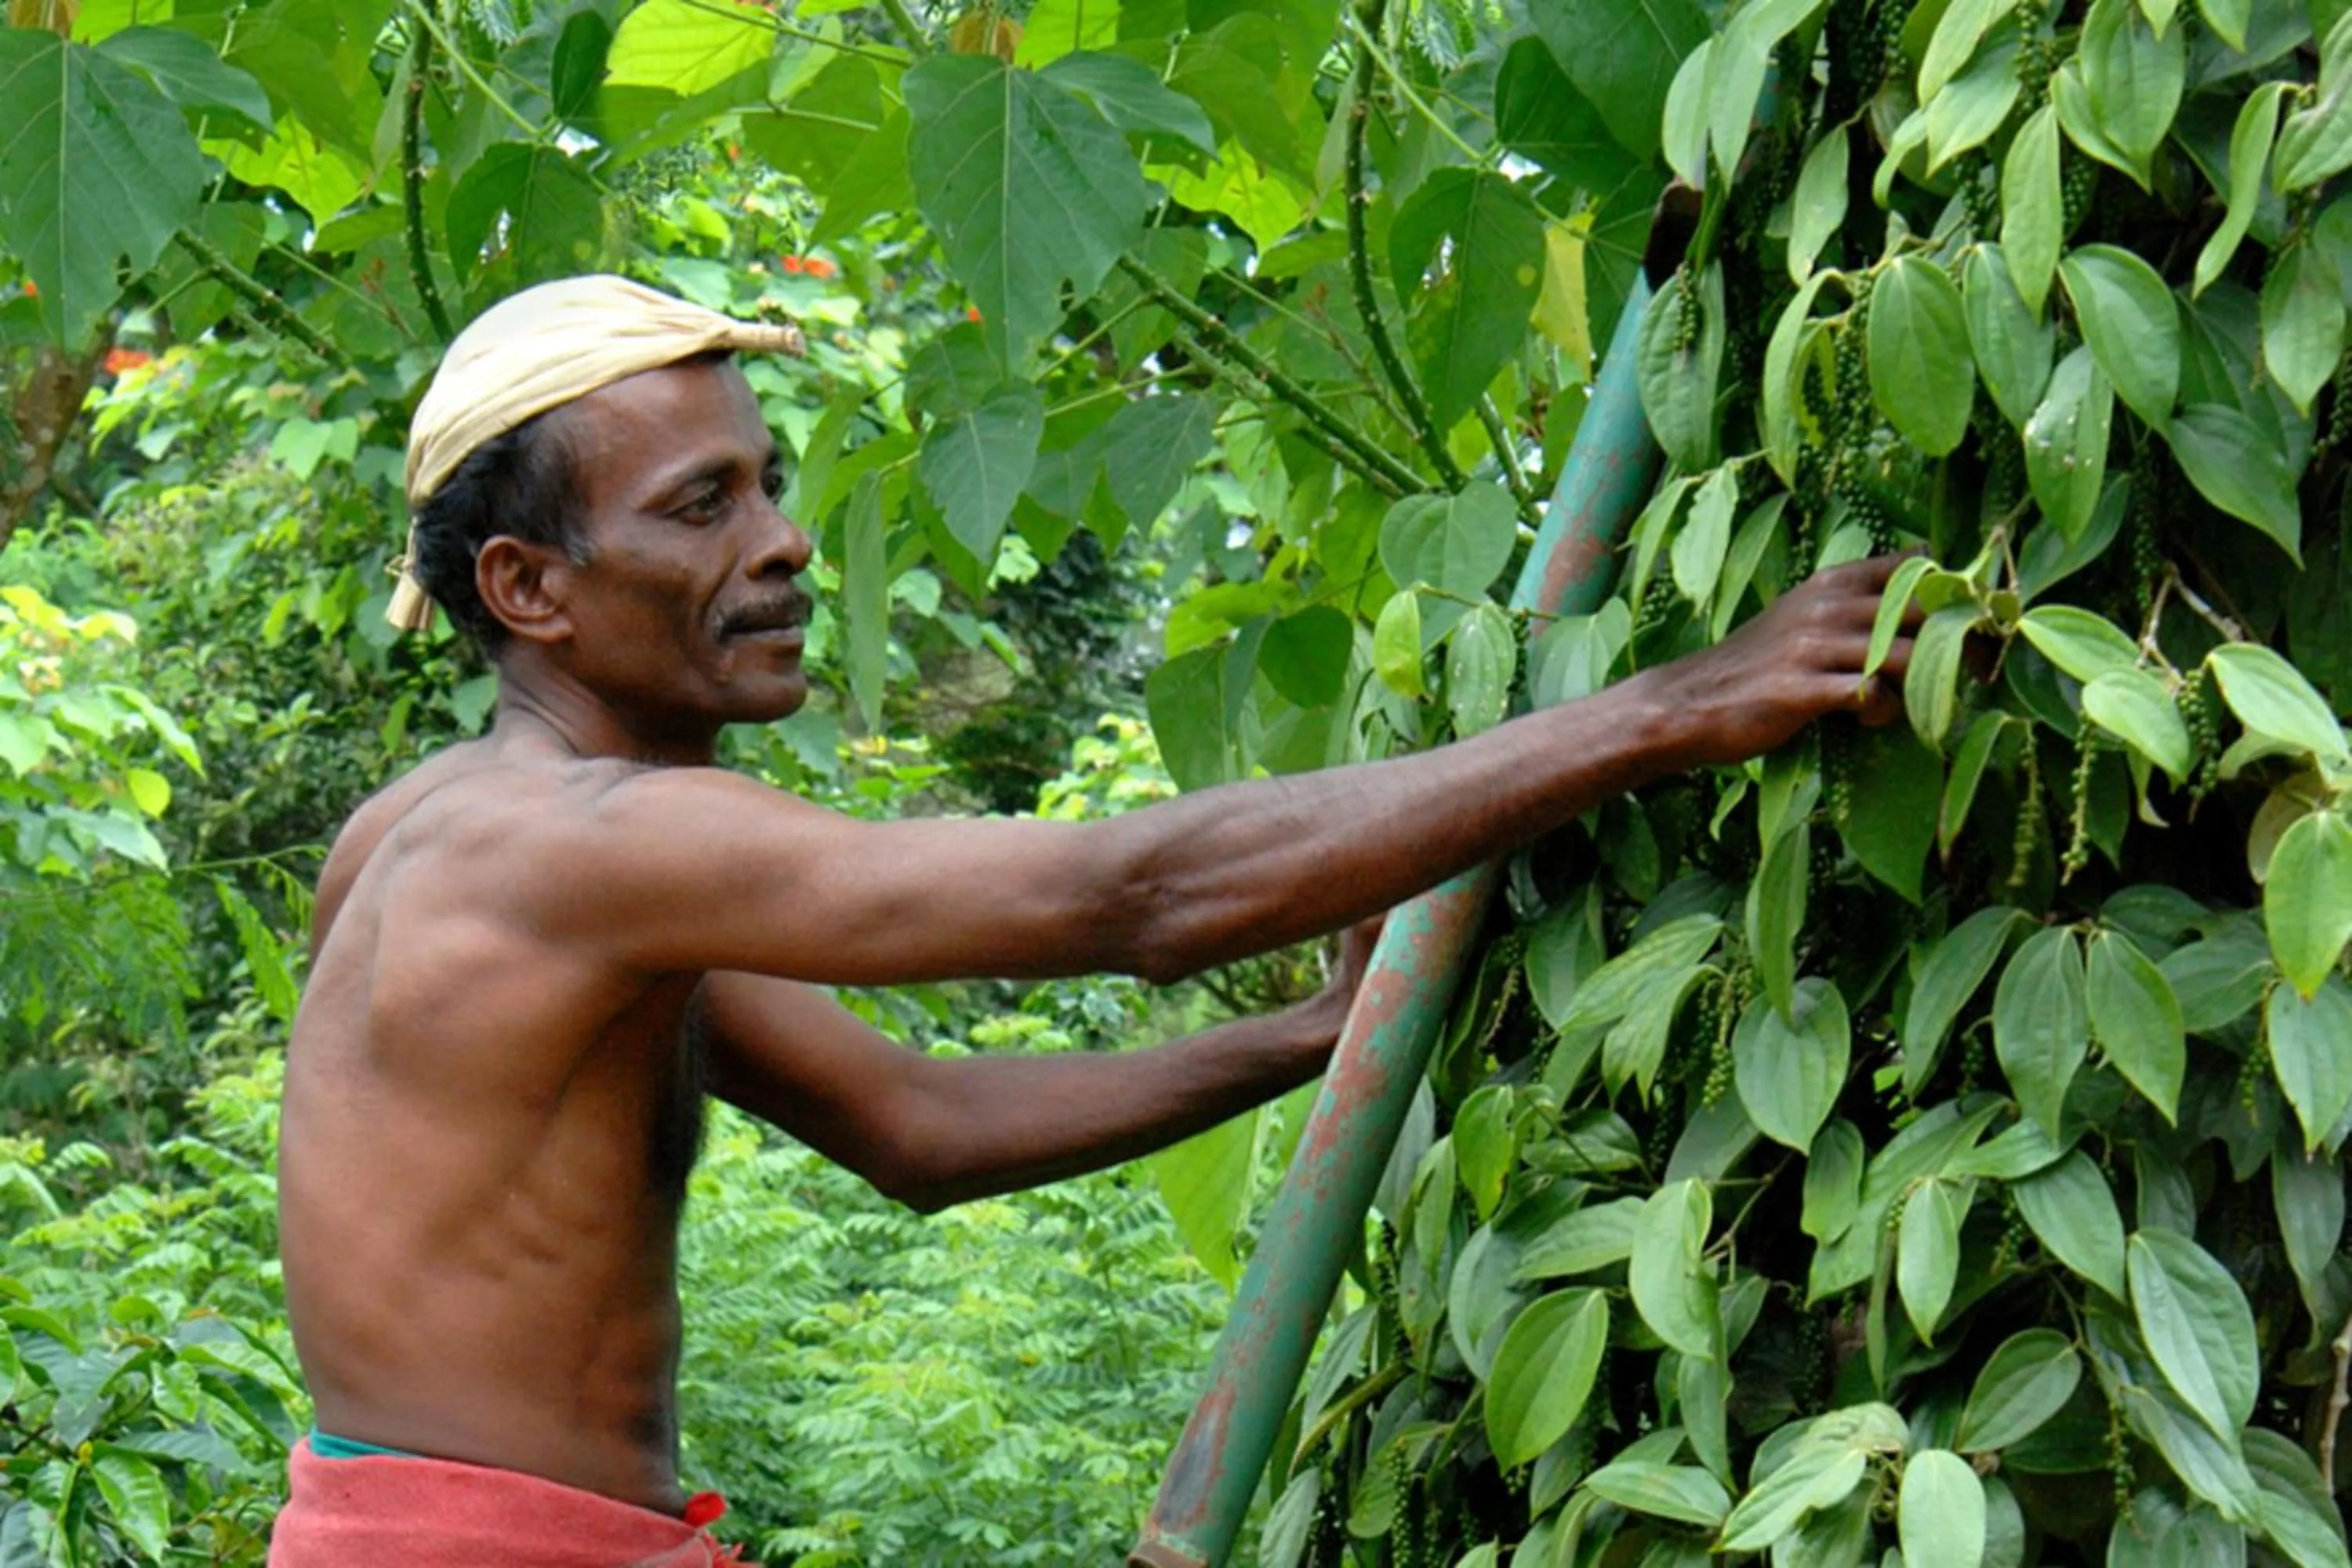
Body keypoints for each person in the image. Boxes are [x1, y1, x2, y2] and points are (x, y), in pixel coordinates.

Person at [267, 276, 1918, 1566]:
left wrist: (1305, 1039)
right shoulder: (571, 848)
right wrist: (1674, 706)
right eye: (698, 509)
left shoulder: (442, 839)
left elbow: (918, 1125)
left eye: (766, 485)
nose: (779, 544)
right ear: (527, 589)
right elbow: (1129, 897)